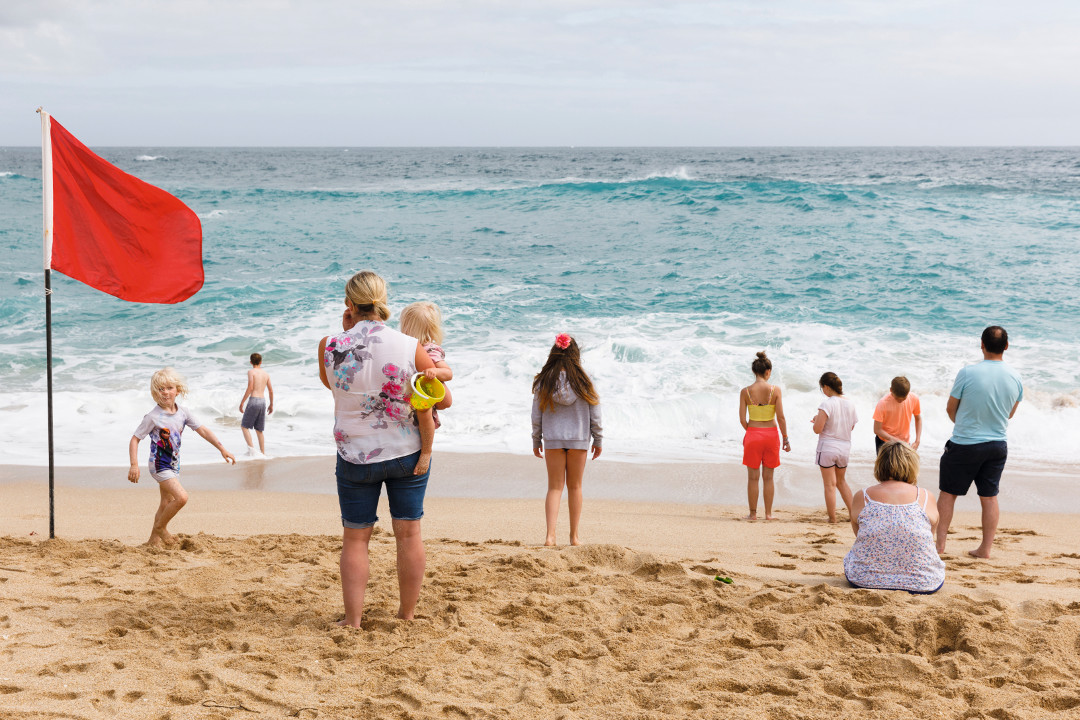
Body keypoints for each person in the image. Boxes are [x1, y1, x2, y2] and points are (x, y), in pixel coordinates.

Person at [318, 270, 437, 628]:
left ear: (349, 304)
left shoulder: (329, 345)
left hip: (354, 454)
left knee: (355, 538)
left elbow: (333, 385)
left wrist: (344, 329)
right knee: (409, 533)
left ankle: (352, 621)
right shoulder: (407, 345)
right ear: (384, 300)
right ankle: (406, 614)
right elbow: (438, 397)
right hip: (406, 453)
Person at [937, 326, 1023, 559]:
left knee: (948, 493)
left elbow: (950, 408)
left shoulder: (967, 372)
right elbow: (1010, 414)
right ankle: (985, 549)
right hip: (997, 445)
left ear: (981, 344)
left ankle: (940, 546)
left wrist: (963, 424)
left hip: (965, 443)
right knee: (989, 496)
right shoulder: (1015, 376)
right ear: (1006, 346)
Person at [128, 367, 235, 547]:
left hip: (174, 464)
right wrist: (134, 465)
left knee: (166, 501)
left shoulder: (183, 412)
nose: (165, 392)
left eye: (169, 388)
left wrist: (221, 448)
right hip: (159, 464)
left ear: (177, 390)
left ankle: (153, 542)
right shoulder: (153, 417)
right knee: (182, 497)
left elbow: (203, 430)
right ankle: (161, 528)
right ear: (155, 393)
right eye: (160, 389)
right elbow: (135, 439)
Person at [843, 441, 945, 594]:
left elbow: (859, 534)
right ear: (912, 466)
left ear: (879, 464)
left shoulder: (863, 496)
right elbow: (930, 535)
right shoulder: (924, 497)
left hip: (865, 578)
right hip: (922, 580)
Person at [532, 333, 602, 546]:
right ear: (575, 355)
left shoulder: (545, 381)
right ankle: (574, 537)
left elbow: (536, 415)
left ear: (553, 354)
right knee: (575, 487)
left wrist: (537, 440)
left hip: (553, 439)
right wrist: (598, 439)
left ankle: (550, 536)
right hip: (578, 439)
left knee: (554, 487)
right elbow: (595, 412)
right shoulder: (583, 380)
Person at [738, 351, 791, 520]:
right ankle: (768, 514)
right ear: (768, 372)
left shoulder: (745, 392)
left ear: (755, 372)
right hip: (771, 436)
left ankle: (753, 514)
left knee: (753, 478)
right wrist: (785, 438)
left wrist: (752, 432)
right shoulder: (775, 390)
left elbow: (741, 419)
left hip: (753, 434)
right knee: (768, 478)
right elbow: (781, 417)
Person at [399, 301, 454, 437]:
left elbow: (448, 373)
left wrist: (434, 371)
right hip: (412, 400)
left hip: (426, 397)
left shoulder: (430, 350)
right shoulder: (403, 347)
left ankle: (425, 452)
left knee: (423, 421)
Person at [812, 371, 858, 523]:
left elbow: (817, 429)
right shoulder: (850, 403)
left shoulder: (827, 404)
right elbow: (850, 427)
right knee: (841, 482)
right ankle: (854, 514)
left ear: (826, 387)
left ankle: (832, 518)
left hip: (828, 446)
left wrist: (816, 420)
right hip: (844, 447)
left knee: (829, 485)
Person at [872, 376, 922, 453]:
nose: (900, 401)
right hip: (885, 443)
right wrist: (896, 441)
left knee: (904, 465)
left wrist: (917, 440)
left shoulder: (914, 398)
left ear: (908, 392)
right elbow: (877, 429)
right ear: (891, 390)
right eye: (898, 398)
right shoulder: (883, 403)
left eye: (904, 398)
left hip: (904, 443)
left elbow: (918, 419)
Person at [238, 352, 274, 456]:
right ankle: (263, 453)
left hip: (254, 400)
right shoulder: (266, 374)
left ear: (250, 362)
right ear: (261, 362)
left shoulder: (251, 372)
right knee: (259, 429)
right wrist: (271, 405)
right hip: (263, 401)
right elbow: (271, 391)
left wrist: (242, 403)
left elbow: (250, 387)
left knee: (244, 426)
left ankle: (252, 450)